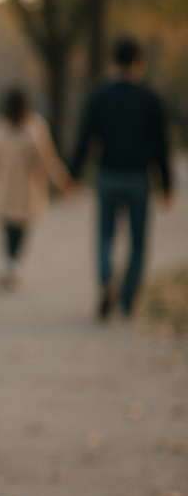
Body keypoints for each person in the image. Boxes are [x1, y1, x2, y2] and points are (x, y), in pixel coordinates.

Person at [69, 37, 174, 319]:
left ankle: (106, 280)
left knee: (105, 235)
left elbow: (85, 138)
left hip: (108, 175)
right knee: (138, 242)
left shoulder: (99, 95)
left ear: (114, 61)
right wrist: (167, 185)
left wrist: (73, 175)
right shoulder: (151, 96)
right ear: (139, 62)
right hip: (139, 178)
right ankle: (128, 300)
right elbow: (162, 144)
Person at [0, 88, 72, 289]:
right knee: (20, 227)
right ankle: (14, 263)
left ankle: (10, 263)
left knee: (10, 227)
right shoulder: (35, 127)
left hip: (3, 186)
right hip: (26, 188)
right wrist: (61, 180)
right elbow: (47, 158)